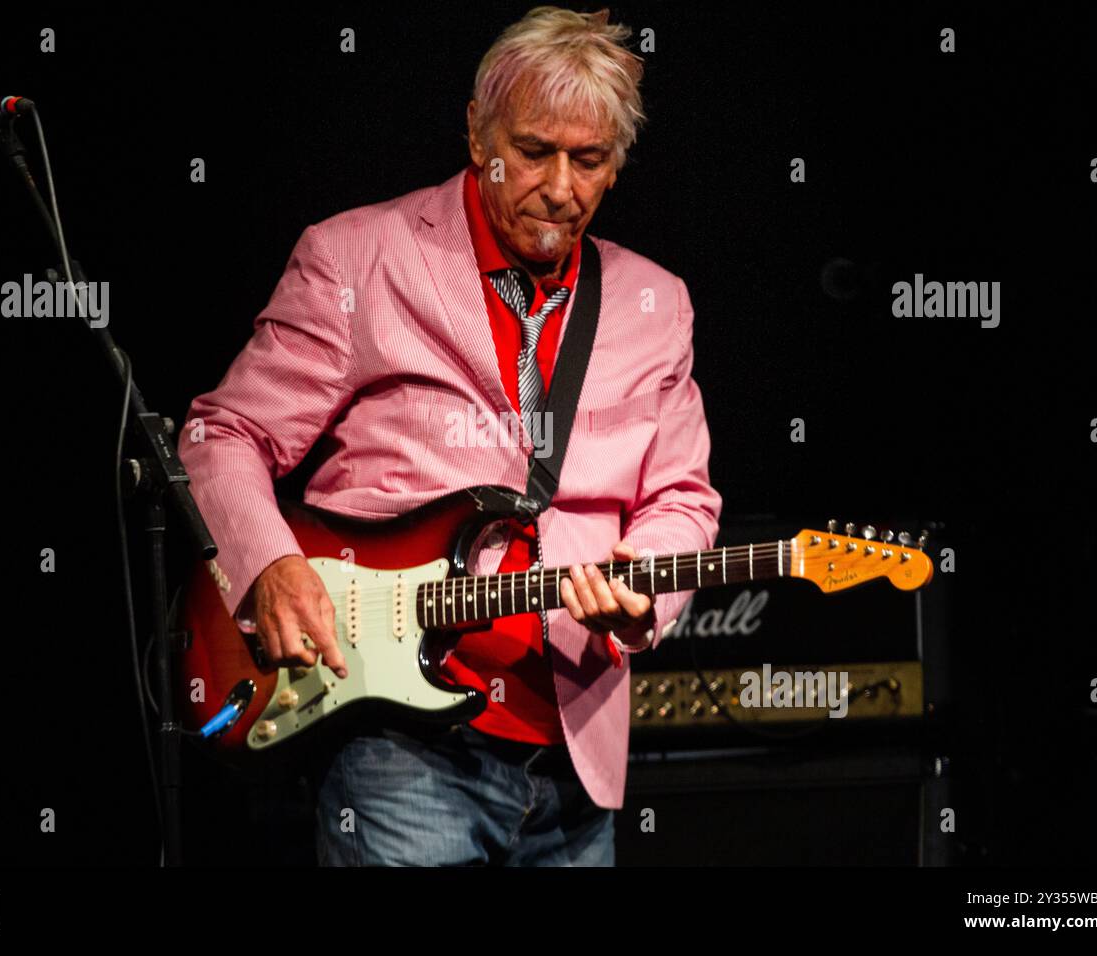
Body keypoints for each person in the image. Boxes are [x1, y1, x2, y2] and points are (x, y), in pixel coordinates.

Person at [178, 6, 721, 866]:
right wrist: (267, 566)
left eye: (589, 160)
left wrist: (644, 585)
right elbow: (224, 432)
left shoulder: (656, 304)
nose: (560, 187)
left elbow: (681, 497)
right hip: (401, 750)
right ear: (478, 133)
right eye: (535, 151)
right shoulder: (361, 255)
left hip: (573, 752)